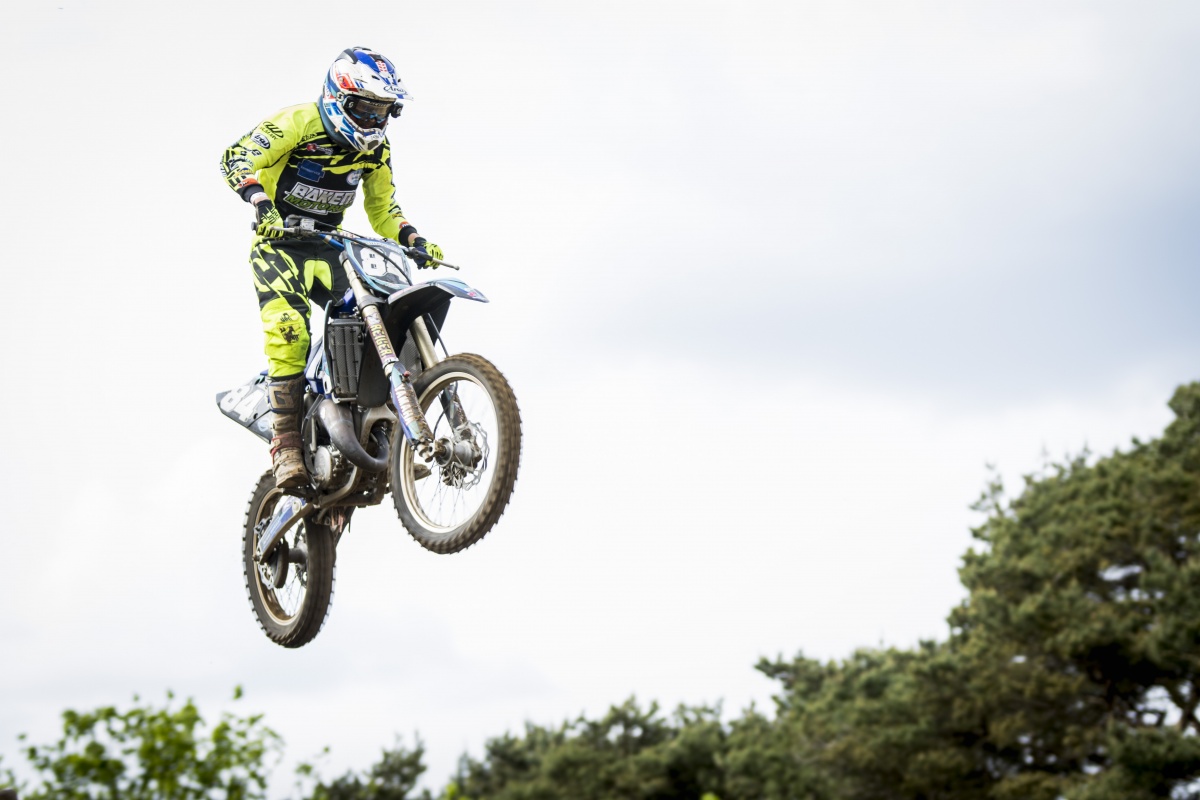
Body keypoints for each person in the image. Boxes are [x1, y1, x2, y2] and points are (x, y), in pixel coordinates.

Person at [220, 46, 442, 489]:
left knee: (384, 315)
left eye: (383, 111)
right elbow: (236, 157)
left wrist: (412, 238)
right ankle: (286, 445)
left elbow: (382, 208)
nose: (374, 120)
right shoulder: (298, 122)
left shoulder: (376, 151)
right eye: (365, 108)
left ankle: (395, 431)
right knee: (289, 331)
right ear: (338, 97)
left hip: (332, 247)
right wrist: (259, 199)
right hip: (279, 244)